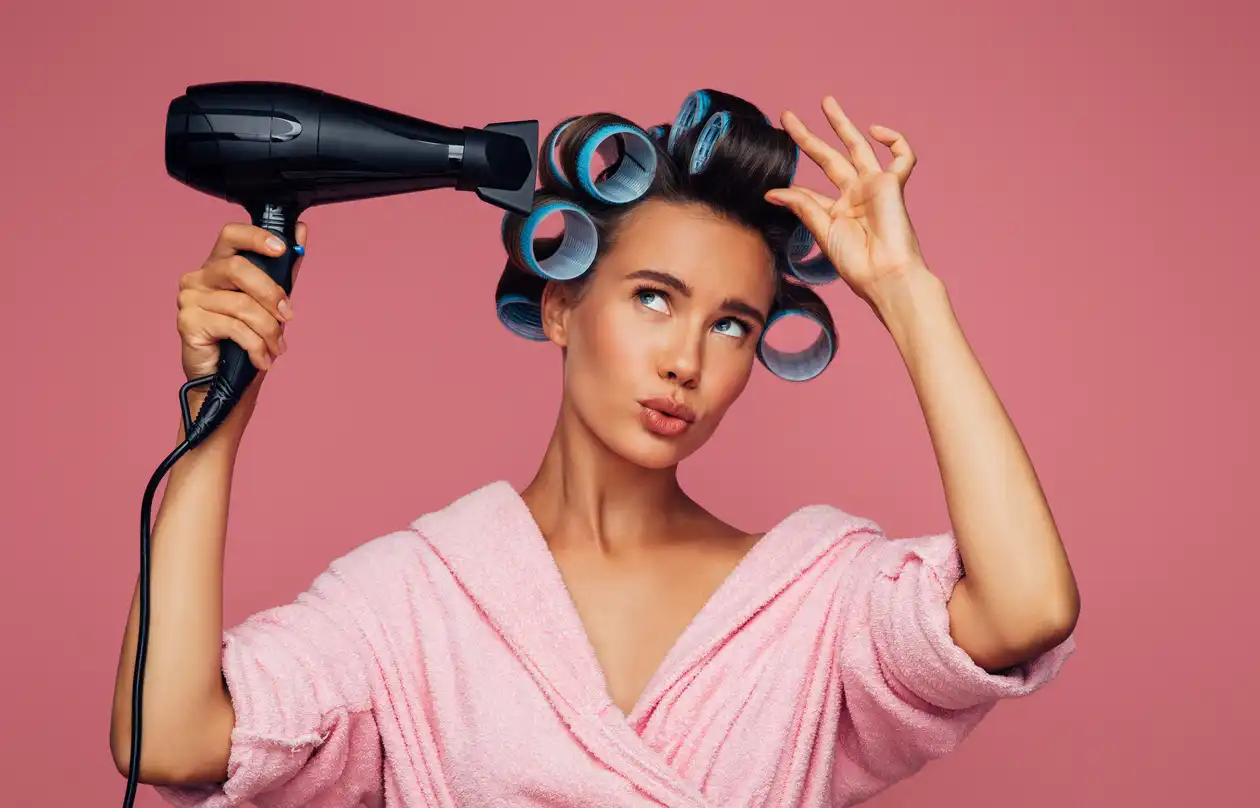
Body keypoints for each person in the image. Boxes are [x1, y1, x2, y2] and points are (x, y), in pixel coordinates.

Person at [110, 89, 1079, 807]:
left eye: (733, 324)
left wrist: (909, 293)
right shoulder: (416, 601)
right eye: (654, 298)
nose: (687, 361)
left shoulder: (807, 603)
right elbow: (168, 738)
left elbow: (1027, 606)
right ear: (563, 303)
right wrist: (214, 417)